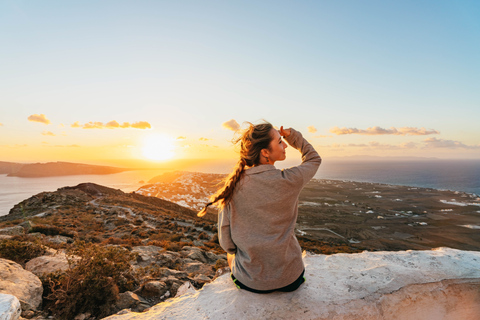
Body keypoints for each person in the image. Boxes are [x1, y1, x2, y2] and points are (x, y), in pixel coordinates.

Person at [198, 121, 321, 293]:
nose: (284, 144)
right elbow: (314, 158)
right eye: (279, 141)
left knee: (230, 255)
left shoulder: (233, 186)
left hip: (251, 283)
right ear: (265, 152)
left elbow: (227, 243)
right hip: (290, 279)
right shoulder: (289, 180)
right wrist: (293, 137)